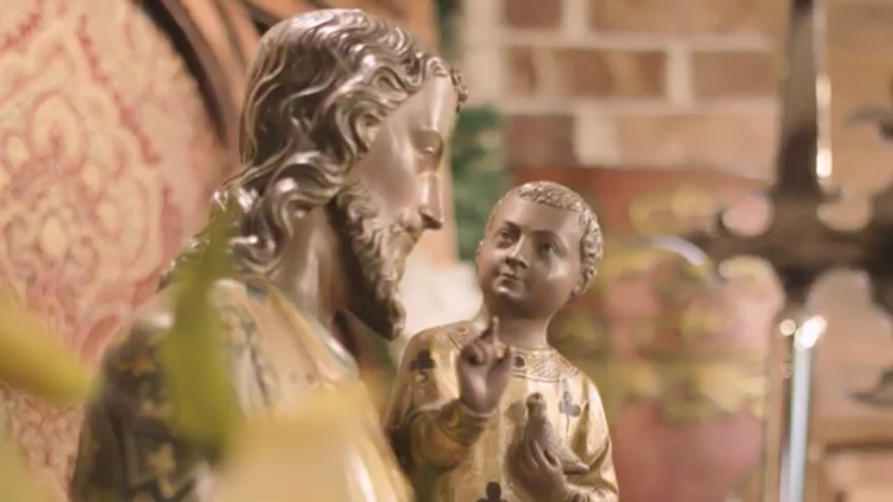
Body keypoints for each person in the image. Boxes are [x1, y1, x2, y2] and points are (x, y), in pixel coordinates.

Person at [69, 9, 465, 501]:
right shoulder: (192, 352)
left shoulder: (335, 373)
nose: (433, 212)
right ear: (336, 131)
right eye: (424, 156)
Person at [384, 181, 620, 501]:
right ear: (481, 248)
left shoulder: (579, 391)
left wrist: (560, 493)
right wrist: (468, 414)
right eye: (507, 237)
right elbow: (401, 460)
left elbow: (603, 493)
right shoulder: (436, 350)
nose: (517, 256)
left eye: (546, 248)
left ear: (579, 280)